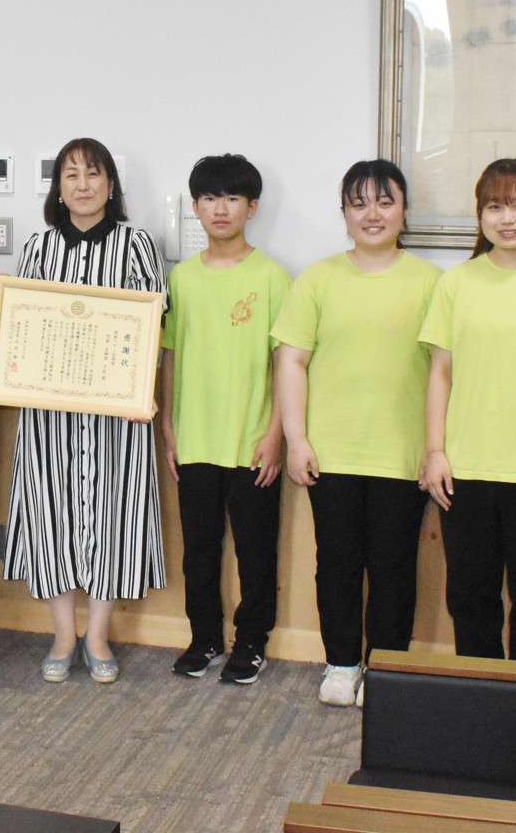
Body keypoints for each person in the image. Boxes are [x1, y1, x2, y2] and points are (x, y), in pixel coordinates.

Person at [272, 160, 440, 706]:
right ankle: (341, 663)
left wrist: (435, 448)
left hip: (403, 454)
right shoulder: (317, 279)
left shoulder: (432, 283)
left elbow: (445, 373)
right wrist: (297, 440)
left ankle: (386, 668)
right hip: (331, 453)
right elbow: (291, 362)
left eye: (385, 202)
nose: (372, 214)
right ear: (343, 212)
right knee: (337, 565)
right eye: (359, 202)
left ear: (405, 211)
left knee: (394, 568)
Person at [4, 137, 167, 684]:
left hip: (118, 414)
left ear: (111, 185)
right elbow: (22, 325)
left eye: (93, 174)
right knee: (51, 513)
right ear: (58, 188)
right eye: (70, 174)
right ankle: (62, 634)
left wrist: (143, 391)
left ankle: (97, 635)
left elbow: (152, 327)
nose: (82, 184)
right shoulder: (38, 247)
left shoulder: (137, 245)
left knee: (111, 514)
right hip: (48, 412)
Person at [419, 158, 516, 663]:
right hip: (465, 473)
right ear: (480, 215)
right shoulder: (456, 283)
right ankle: (478, 700)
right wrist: (435, 452)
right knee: (471, 603)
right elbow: (440, 373)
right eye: (494, 206)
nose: (507, 218)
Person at [159, 153, 290, 685]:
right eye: (210, 198)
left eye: (232, 198)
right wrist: (169, 426)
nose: (220, 208)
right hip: (195, 437)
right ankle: (204, 638)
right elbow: (170, 355)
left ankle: (251, 642)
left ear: (251, 207)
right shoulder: (182, 278)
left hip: (253, 440)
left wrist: (277, 433)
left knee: (257, 552)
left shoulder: (273, 277)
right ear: (195, 206)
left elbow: (286, 363)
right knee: (199, 551)